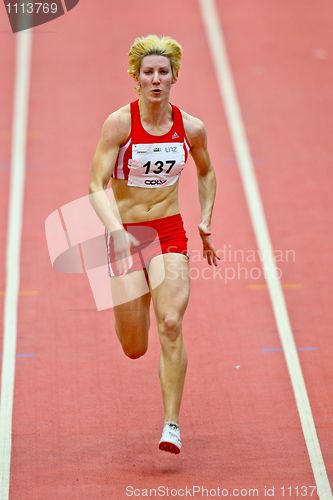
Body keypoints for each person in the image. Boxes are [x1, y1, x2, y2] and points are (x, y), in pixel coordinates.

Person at [88, 34, 219, 454]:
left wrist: (204, 219)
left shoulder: (191, 127)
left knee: (171, 324)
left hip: (168, 233)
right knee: (134, 346)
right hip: (127, 235)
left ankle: (172, 424)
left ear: (174, 76)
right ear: (136, 78)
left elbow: (206, 172)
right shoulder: (119, 124)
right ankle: (134, 306)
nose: (156, 79)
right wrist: (115, 231)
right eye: (149, 73)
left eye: (164, 72)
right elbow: (95, 184)